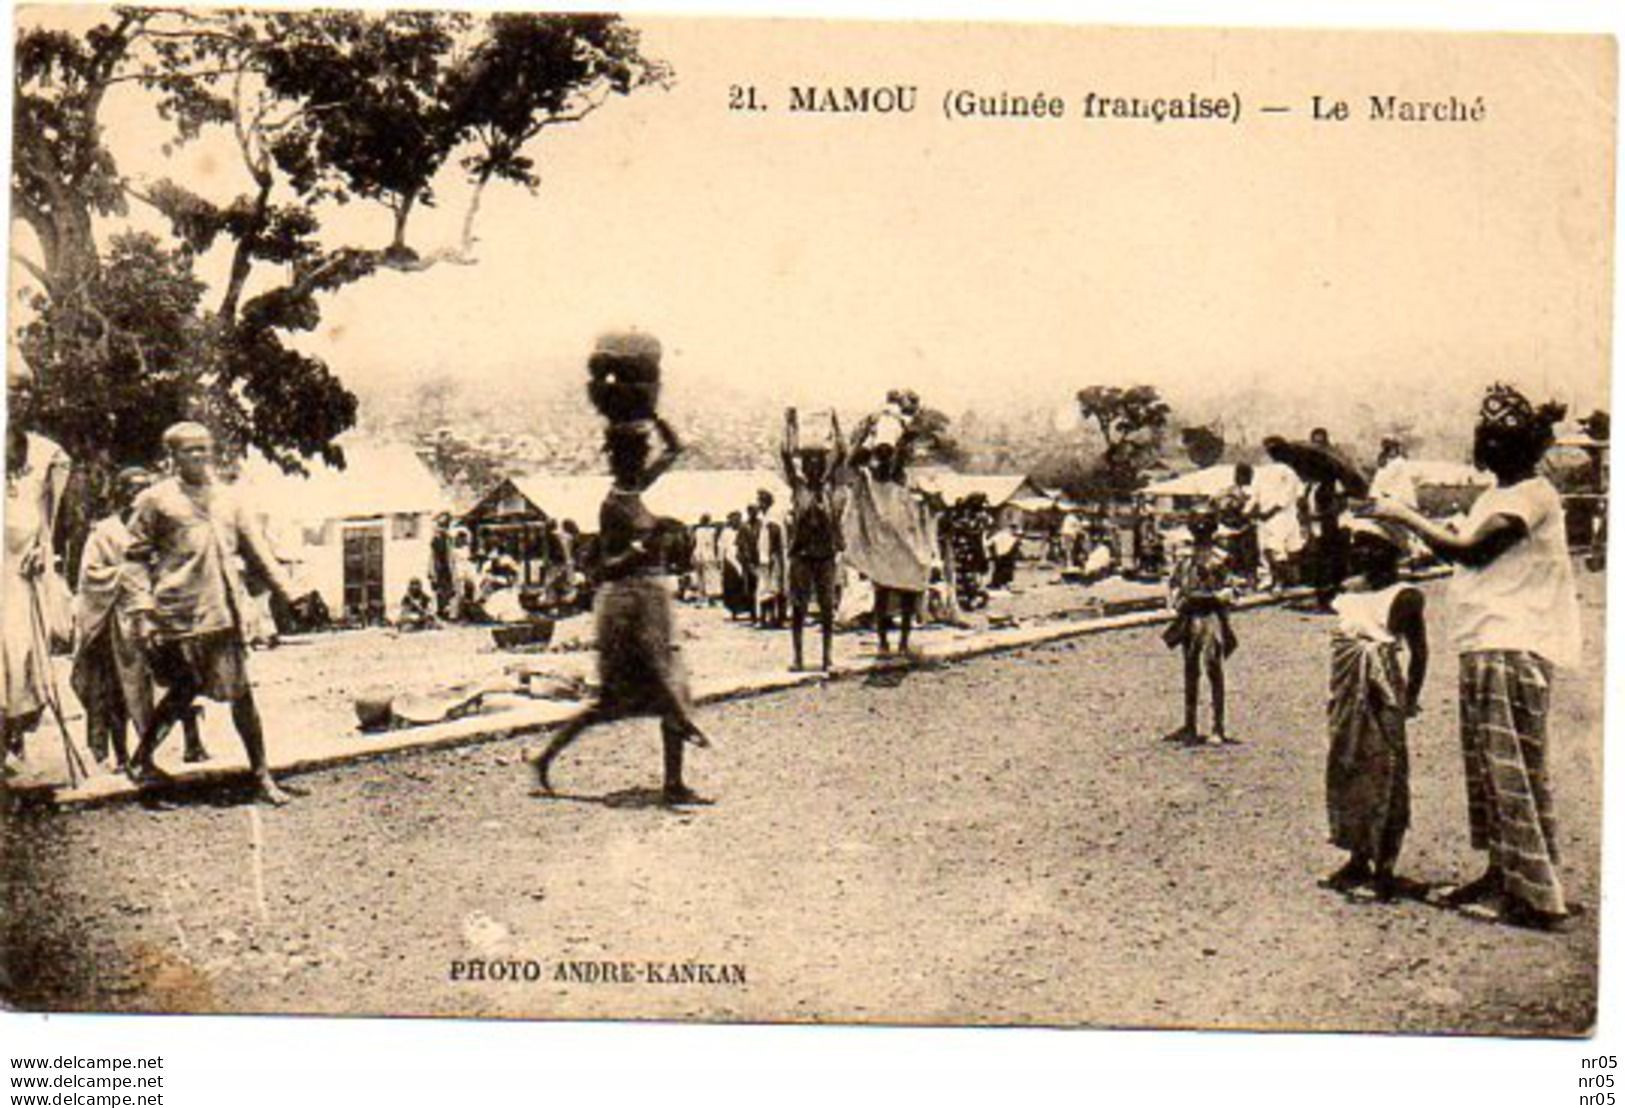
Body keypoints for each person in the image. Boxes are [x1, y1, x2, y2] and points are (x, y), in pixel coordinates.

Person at [1372, 384, 1582, 930]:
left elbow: (1472, 550)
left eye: (1502, 439)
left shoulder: (1533, 495)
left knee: (1509, 766)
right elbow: (1464, 551)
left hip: (1512, 644)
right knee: (1493, 768)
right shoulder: (1496, 495)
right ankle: (1507, 874)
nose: (1492, 446)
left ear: (1525, 446)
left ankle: (1531, 895)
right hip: (1487, 642)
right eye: (1489, 437)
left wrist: (1406, 518)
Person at [532, 336, 710, 806]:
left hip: (649, 601)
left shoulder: (636, 490)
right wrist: (642, 549)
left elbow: (676, 450)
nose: (641, 459)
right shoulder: (613, 505)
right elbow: (601, 567)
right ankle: (545, 759)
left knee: (670, 686)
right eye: (634, 454)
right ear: (620, 459)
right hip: (625, 604)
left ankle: (673, 781)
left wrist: (651, 414)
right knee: (615, 700)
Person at [123, 422, 307, 805]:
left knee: (242, 694)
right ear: (171, 456)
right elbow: (135, 559)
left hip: (223, 611)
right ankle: (141, 761)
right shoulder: (154, 500)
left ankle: (261, 775)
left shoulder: (230, 499)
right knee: (182, 691)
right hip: (177, 613)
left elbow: (257, 550)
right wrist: (143, 610)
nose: (199, 457)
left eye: (204, 449)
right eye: (190, 451)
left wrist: (289, 593)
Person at [1322, 520, 1428, 901]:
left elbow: (1419, 651)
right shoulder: (1349, 592)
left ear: (1391, 551)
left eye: (1370, 545)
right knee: (1347, 763)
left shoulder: (1405, 596)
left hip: (1383, 690)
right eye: (1357, 545)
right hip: (1348, 691)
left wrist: (1409, 698)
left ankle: (1385, 864)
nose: (1361, 552)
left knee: (1386, 768)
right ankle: (1356, 856)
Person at [70, 467, 161, 769]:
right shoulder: (105, 531)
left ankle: (152, 754)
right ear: (120, 494)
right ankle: (120, 755)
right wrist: (127, 572)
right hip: (111, 620)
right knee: (114, 693)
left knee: (153, 689)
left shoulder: (155, 527)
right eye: (133, 490)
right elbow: (89, 575)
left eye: (145, 489)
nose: (138, 496)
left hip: (149, 617)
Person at [2, 409, 71, 773]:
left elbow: (47, 519)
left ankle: (13, 743)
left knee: (25, 659)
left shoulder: (43, 454)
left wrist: (42, 550)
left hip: (21, 577)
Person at [1162, 512, 1237, 745]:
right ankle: (1190, 724)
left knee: (1213, 667)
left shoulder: (1221, 560)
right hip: (1190, 615)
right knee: (1190, 669)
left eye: (1204, 534)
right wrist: (1177, 601)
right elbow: (1174, 586)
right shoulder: (1186, 561)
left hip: (1211, 616)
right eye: (1198, 534)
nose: (1200, 539)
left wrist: (1216, 597)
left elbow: (1231, 591)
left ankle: (1218, 726)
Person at [781, 410, 846, 671]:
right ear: (804, 466)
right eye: (809, 462)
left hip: (826, 555)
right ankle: (798, 657)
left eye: (818, 462)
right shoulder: (798, 488)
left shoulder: (829, 488)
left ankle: (827, 657)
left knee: (828, 608)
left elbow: (841, 453)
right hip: (802, 555)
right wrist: (790, 426)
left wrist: (836, 424)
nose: (814, 466)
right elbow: (786, 454)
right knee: (798, 608)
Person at [988, 521, 1021, 590]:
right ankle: (1001, 583)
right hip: (1006, 555)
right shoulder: (1012, 537)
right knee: (1004, 569)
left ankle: (998, 583)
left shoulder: (1001, 534)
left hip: (1000, 554)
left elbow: (989, 543)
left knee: (999, 569)